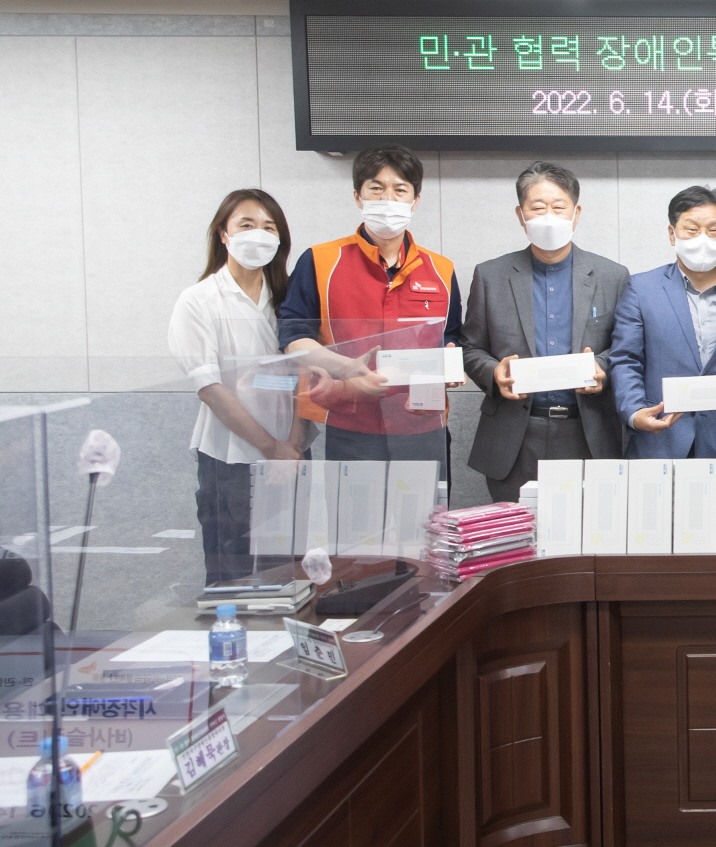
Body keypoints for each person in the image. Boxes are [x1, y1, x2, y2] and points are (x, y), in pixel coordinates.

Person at [278, 144, 462, 477]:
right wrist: (347, 369)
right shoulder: (320, 260)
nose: (388, 199)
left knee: (425, 512)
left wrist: (450, 363)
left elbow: (451, 337)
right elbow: (292, 336)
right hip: (350, 422)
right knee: (353, 512)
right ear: (358, 196)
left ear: (415, 200)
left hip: (422, 424)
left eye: (400, 190)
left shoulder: (441, 269)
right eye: (376, 188)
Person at [461, 162, 627, 503]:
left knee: (588, 532)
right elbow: (470, 347)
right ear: (521, 215)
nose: (548, 217)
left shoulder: (613, 276)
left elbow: (627, 347)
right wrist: (494, 373)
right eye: (537, 208)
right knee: (517, 533)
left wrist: (603, 367)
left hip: (588, 432)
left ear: (576, 213)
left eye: (558, 207)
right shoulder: (490, 276)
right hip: (515, 437)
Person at [168, 189, 305, 582]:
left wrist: (292, 448)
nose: (258, 234)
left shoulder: (290, 299)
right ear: (223, 235)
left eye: (268, 227)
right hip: (230, 458)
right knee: (234, 576)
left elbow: (307, 377)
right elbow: (210, 388)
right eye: (246, 225)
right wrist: (272, 449)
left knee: (293, 574)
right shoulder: (198, 300)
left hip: (293, 456)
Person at [609, 185, 716, 519]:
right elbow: (625, 359)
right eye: (691, 229)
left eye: (714, 229)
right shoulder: (641, 288)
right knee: (651, 541)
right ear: (672, 233)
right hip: (658, 440)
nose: (703, 239)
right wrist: (635, 412)